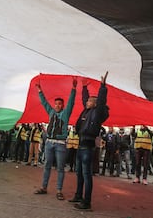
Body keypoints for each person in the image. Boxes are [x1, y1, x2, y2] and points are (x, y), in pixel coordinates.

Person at [69, 72, 109, 211]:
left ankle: (87, 202)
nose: (86, 102)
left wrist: (102, 86)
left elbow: (102, 101)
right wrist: (84, 87)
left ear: (95, 104)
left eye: (89, 101)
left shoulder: (97, 113)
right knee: (79, 173)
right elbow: (84, 98)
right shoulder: (86, 112)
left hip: (88, 147)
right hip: (81, 145)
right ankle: (78, 196)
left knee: (86, 174)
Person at [33, 76, 77, 201]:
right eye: (56, 104)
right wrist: (40, 90)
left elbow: (71, 103)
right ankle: (44, 187)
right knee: (47, 165)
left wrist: (73, 89)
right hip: (49, 143)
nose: (57, 105)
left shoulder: (65, 113)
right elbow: (44, 103)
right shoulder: (51, 112)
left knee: (60, 168)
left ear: (62, 105)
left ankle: (59, 190)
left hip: (60, 144)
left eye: (59, 104)